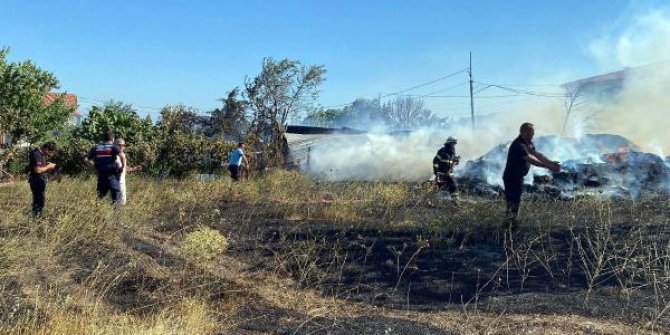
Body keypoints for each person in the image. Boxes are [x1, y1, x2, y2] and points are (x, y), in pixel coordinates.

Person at [503, 123, 560, 220]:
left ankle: (511, 224)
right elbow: (530, 159)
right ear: (524, 132)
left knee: (516, 202)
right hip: (511, 178)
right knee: (512, 203)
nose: (533, 135)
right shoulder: (519, 145)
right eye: (531, 133)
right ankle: (509, 226)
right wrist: (548, 166)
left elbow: (537, 155)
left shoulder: (527, 143)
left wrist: (550, 162)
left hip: (518, 177)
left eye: (533, 133)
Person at [85, 131, 125, 205]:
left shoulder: (96, 148)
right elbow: (122, 156)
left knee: (99, 197)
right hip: (112, 175)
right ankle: (118, 216)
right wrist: (122, 167)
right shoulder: (114, 147)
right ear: (113, 139)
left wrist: (94, 170)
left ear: (104, 139)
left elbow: (86, 159)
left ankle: (95, 213)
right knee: (116, 199)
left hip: (101, 176)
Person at [27, 142, 58, 217]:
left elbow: (42, 168)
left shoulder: (42, 155)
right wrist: (49, 166)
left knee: (40, 200)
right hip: (36, 181)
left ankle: (37, 216)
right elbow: (38, 170)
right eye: (50, 152)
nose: (50, 154)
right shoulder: (36, 154)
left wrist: (49, 166)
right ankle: (36, 218)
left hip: (41, 181)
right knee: (38, 201)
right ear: (47, 149)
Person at [433, 137, 461, 205]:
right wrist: (436, 173)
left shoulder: (452, 152)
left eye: (455, 143)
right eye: (453, 143)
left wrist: (457, 160)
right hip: (441, 174)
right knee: (437, 188)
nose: (454, 145)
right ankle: (434, 202)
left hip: (449, 174)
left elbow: (452, 162)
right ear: (449, 143)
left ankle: (455, 202)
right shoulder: (442, 151)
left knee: (454, 187)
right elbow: (435, 162)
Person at [115, 138, 142, 205]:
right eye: (119, 145)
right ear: (115, 145)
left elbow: (124, 168)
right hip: (117, 183)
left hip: (121, 183)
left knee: (120, 203)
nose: (122, 147)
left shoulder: (121, 155)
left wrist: (134, 168)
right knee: (118, 204)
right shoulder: (115, 156)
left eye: (123, 145)